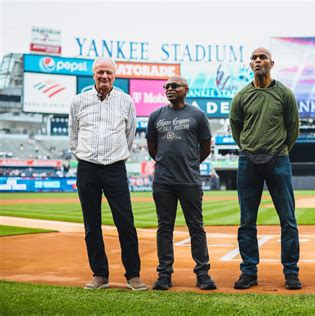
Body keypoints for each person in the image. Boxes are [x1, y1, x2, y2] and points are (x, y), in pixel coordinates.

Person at [69, 57, 146, 291]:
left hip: (115, 168)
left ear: (115, 75)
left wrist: (118, 154)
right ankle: (100, 274)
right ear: (94, 74)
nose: (104, 76)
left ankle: (133, 275)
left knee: (126, 223)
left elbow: (130, 134)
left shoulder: (126, 101)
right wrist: (83, 156)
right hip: (87, 168)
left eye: (109, 73)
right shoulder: (79, 101)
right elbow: (73, 135)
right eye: (100, 72)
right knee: (92, 224)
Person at [230, 47, 301, 290]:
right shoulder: (241, 96)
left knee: (288, 220)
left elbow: (293, 128)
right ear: (250, 64)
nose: (258, 61)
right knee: (246, 221)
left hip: (278, 160)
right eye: (254, 58)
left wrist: (280, 150)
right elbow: (236, 127)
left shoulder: (284, 93)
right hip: (248, 161)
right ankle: (249, 271)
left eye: (262, 57)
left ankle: (291, 272)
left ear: (272, 62)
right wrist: (248, 148)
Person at [146, 76, 217, 291]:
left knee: (196, 226)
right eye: (166, 86)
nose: (169, 89)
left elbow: (205, 147)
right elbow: (152, 147)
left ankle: (203, 273)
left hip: (189, 180)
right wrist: (166, 163)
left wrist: (191, 163)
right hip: (163, 181)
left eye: (174, 86)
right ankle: (164, 274)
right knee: (164, 227)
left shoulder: (197, 115)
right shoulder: (155, 115)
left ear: (185, 89)